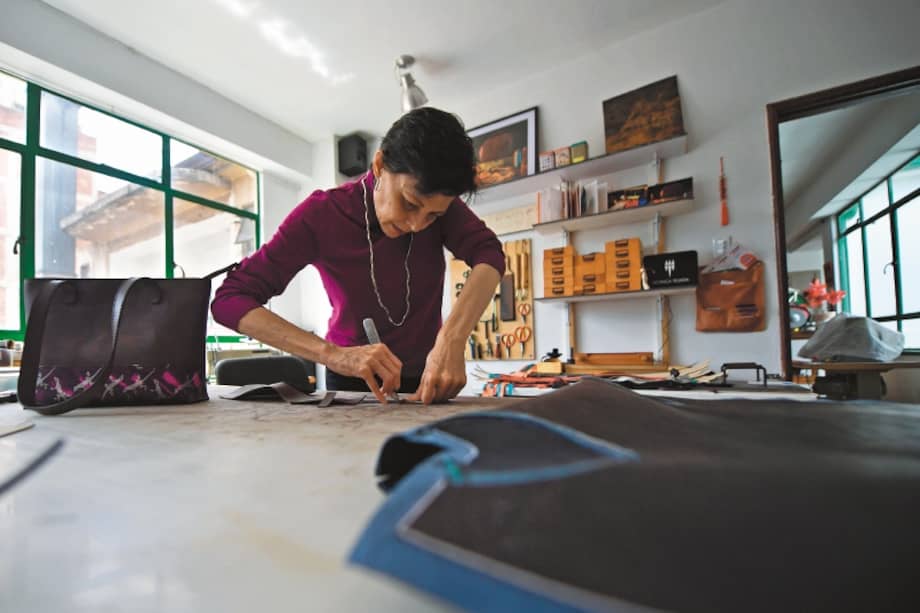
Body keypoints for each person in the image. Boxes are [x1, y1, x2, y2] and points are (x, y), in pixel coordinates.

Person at [211, 107, 505, 404]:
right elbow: (229, 301)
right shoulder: (321, 215)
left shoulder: (443, 209)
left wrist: (451, 341)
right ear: (379, 165)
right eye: (410, 203)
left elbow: (490, 254)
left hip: (427, 378)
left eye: (433, 216)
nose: (417, 224)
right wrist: (333, 355)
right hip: (351, 380)